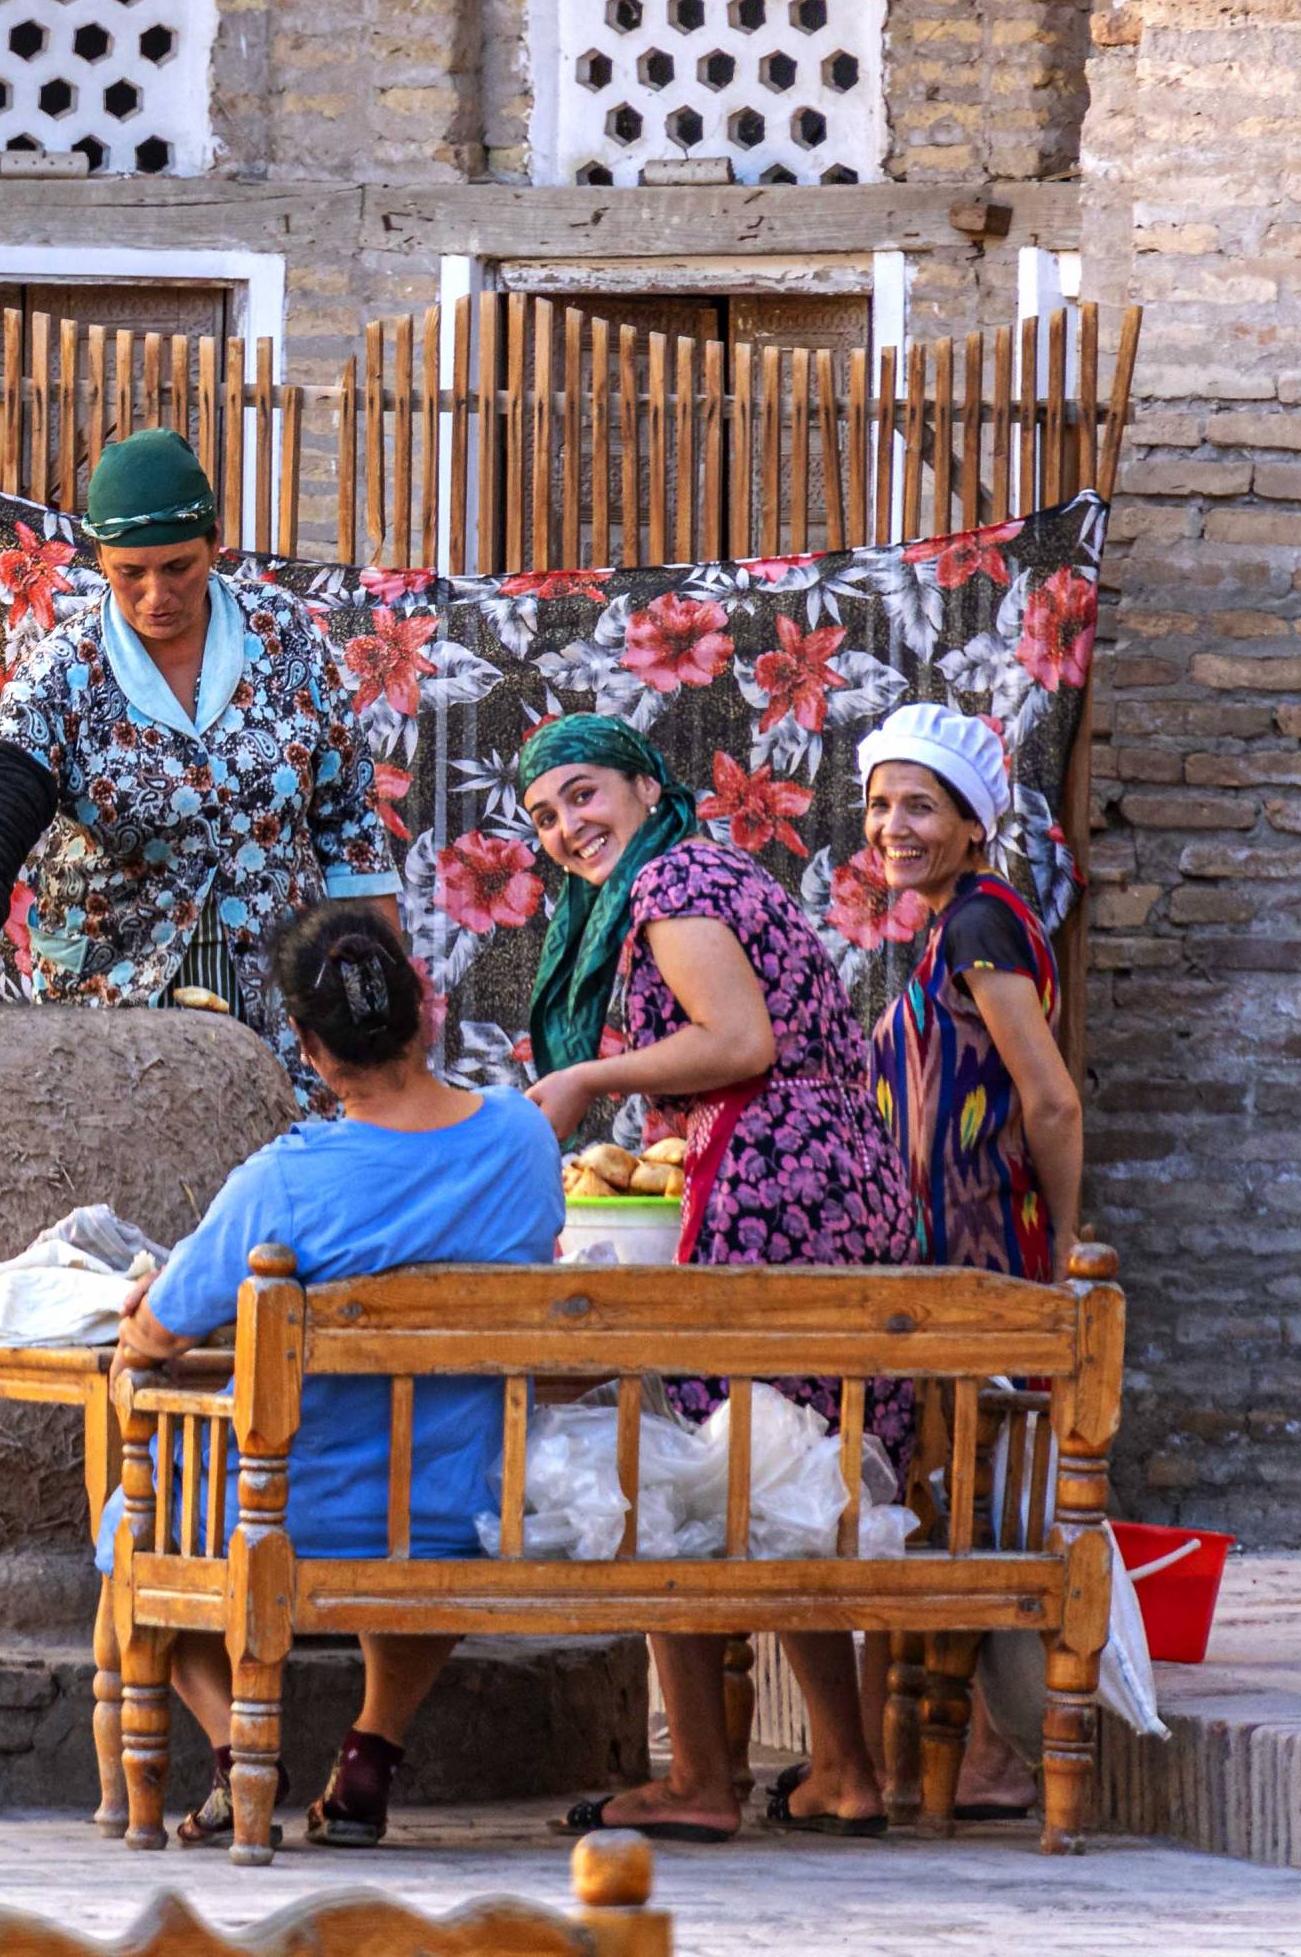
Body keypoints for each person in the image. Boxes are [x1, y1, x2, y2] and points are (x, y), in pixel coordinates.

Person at [515, 711, 917, 1844]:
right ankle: (840, 1766)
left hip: (769, 1189)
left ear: (644, 785)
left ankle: (702, 1774)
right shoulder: (691, 871)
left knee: (702, 1470)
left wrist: (588, 1075)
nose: (565, 827)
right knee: (775, 1473)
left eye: (583, 795)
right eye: (544, 816)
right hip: (819, 1180)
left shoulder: (674, 883)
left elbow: (736, 1039)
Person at [110, 901, 562, 1848]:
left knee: (126, 1525)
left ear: (312, 1050)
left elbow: (154, 1336)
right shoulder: (526, 1142)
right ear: (425, 1011)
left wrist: (145, 1320)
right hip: (458, 1507)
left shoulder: (285, 1181)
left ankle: (241, 1764)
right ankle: (369, 1756)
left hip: (287, 1515)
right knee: (425, 1502)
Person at [0, 428, 399, 1094]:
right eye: (129, 572)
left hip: (280, 1008)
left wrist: (376, 1002)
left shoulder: (283, 640)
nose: (155, 596)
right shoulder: (64, 672)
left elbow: (349, 830)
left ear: (214, 543)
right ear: (100, 556)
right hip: (113, 1016)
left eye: (178, 567)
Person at [858, 699, 1086, 1819]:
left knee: (974, 1498)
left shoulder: (983, 926)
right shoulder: (951, 924)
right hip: (948, 1251)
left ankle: (991, 1753)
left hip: (985, 1248)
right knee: (945, 1490)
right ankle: (922, 1752)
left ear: (971, 822)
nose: (892, 826)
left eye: (919, 806)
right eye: (880, 804)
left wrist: (1058, 1254)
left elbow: (1046, 1094)